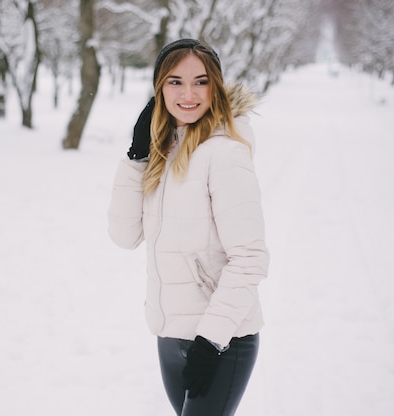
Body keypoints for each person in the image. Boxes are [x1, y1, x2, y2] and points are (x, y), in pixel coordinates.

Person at [107, 38, 269, 416]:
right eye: (175, 82)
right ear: (159, 88)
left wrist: (211, 341)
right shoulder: (163, 151)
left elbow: (249, 258)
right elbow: (124, 236)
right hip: (170, 333)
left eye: (200, 81)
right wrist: (136, 158)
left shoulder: (226, 153)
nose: (188, 94)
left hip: (222, 339)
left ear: (216, 85)